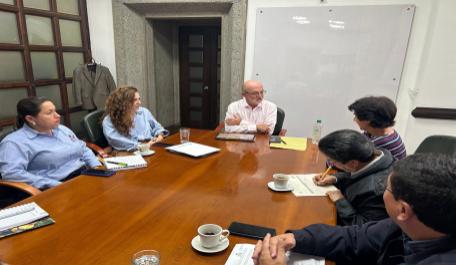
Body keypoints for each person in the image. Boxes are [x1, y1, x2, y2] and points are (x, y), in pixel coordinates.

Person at [253, 154, 456, 265]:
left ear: (403, 210)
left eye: (386, 188)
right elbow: (355, 237)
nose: (383, 192)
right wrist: (296, 238)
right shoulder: (406, 226)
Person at [0, 97, 101, 190]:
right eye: (49, 113)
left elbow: (83, 148)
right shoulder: (14, 142)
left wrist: (96, 167)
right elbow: (11, 173)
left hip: (85, 175)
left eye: (55, 111)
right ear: (30, 119)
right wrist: (52, 184)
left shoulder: (62, 129)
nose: (57, 115)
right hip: (55, 185)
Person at [314, 129, 394, 225]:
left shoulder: (375, 192)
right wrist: (335, 178)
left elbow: (364, 228)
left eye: (332, 161)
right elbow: (358, 173)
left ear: (352, 163)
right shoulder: (378, 156)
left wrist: (340, 201)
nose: (331, 163)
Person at [102, 86, 169, 151]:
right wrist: (142, 146)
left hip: (152, 147)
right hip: (130, 152)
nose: (139, 103)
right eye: (135, 100)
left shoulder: (144, 112)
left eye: (139, 99)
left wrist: (160, 136)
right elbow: (117, 141)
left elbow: (157, 127)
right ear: (123, 103)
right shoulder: (108, 121)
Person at [348, 96, 406, 160]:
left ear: (367, 120)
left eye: (356, 117)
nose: (354, 120)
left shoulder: (381, 143)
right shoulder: (376, 132)